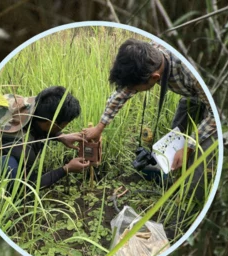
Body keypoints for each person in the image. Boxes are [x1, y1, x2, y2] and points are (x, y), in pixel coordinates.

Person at [80, 39, 216, 198]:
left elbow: (215, 113)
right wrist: (99, 128)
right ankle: (172, 175)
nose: (131, 91)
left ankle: (191, 199)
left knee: (201, 158)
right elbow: (122, 93)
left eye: (136, 89)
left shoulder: (191, 72)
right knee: (175, 135)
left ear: (154, 77)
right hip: (191, 95)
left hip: (212, 102)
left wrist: (189, 146)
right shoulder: (147, 56)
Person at [0, 86, 89, 190]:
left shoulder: (34, 105)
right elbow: (31, 185)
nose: (64, 128)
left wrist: (61, 136)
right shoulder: (23, 150)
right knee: (10, 167)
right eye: (64, 125)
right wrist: (66, 169)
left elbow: (40, 126)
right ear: (50, 124)